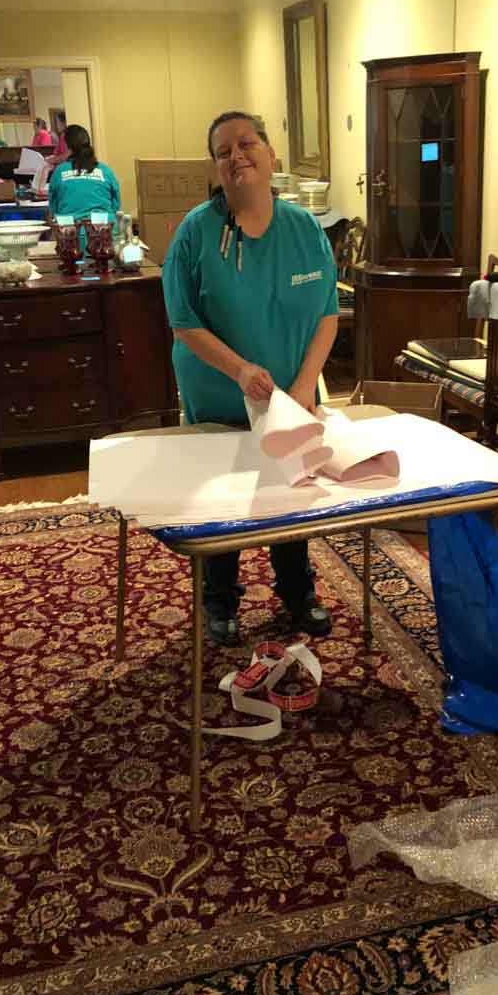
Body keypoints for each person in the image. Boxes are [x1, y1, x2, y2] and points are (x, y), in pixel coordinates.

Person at [163, 110, 339, 646]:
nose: (236, 156)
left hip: (288, 398)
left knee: (288, 494)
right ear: (215, 168)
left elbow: (327, 313)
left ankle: (297, 592)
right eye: (223, 152)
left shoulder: (305, 230)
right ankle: (219, 600)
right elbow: (183, 321)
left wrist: (305, 385)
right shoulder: (196, 232)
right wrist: (239, 370)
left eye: (246, 144)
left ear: (270, 153)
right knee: (225, 501)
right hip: (219, 393)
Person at [47, 124, 120, 222]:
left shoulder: (59, 171)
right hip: (104, 227)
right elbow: (116, 204)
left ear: (68, 147)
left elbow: (53, 206)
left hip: (70, 228)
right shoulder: (106, 171)